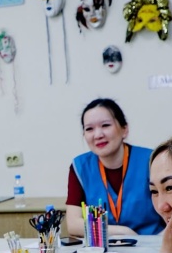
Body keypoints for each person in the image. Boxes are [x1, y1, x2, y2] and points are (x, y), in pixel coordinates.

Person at [66, 98, 164, 237]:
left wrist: (159, 244)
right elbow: (73, 224)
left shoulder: (153, 161)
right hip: (105, 246)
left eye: (105, 125)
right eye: (89, 129)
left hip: (154, 243)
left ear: (124, 129)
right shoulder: (80, 167)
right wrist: (122, 232)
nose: (98, 135)